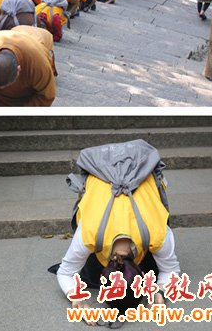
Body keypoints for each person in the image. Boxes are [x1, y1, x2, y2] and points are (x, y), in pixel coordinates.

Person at [55, 140, 181, 328]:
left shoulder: (155, 233)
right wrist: (160, 292)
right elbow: (171, 270)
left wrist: (78, 298)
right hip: (106, 169)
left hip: (119, 169)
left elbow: (65, 272)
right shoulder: (156, 234)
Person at [0, 27, 56, 106]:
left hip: (38, 37)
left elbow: (46, 96)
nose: (2, 89)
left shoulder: (38, 64)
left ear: (19, 69)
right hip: (16, 31)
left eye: (7, 85)